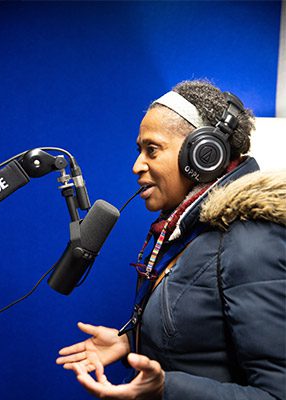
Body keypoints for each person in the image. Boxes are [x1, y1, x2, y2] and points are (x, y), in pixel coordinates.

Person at [55, 80, 286, 399]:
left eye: (152, 149)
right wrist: (128, 342)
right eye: (139, 151)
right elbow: (204, 337)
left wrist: (165, 388)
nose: (137, 166)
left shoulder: (252, 239)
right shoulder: (190, 232)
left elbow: (276, 393)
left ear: (206, 154)